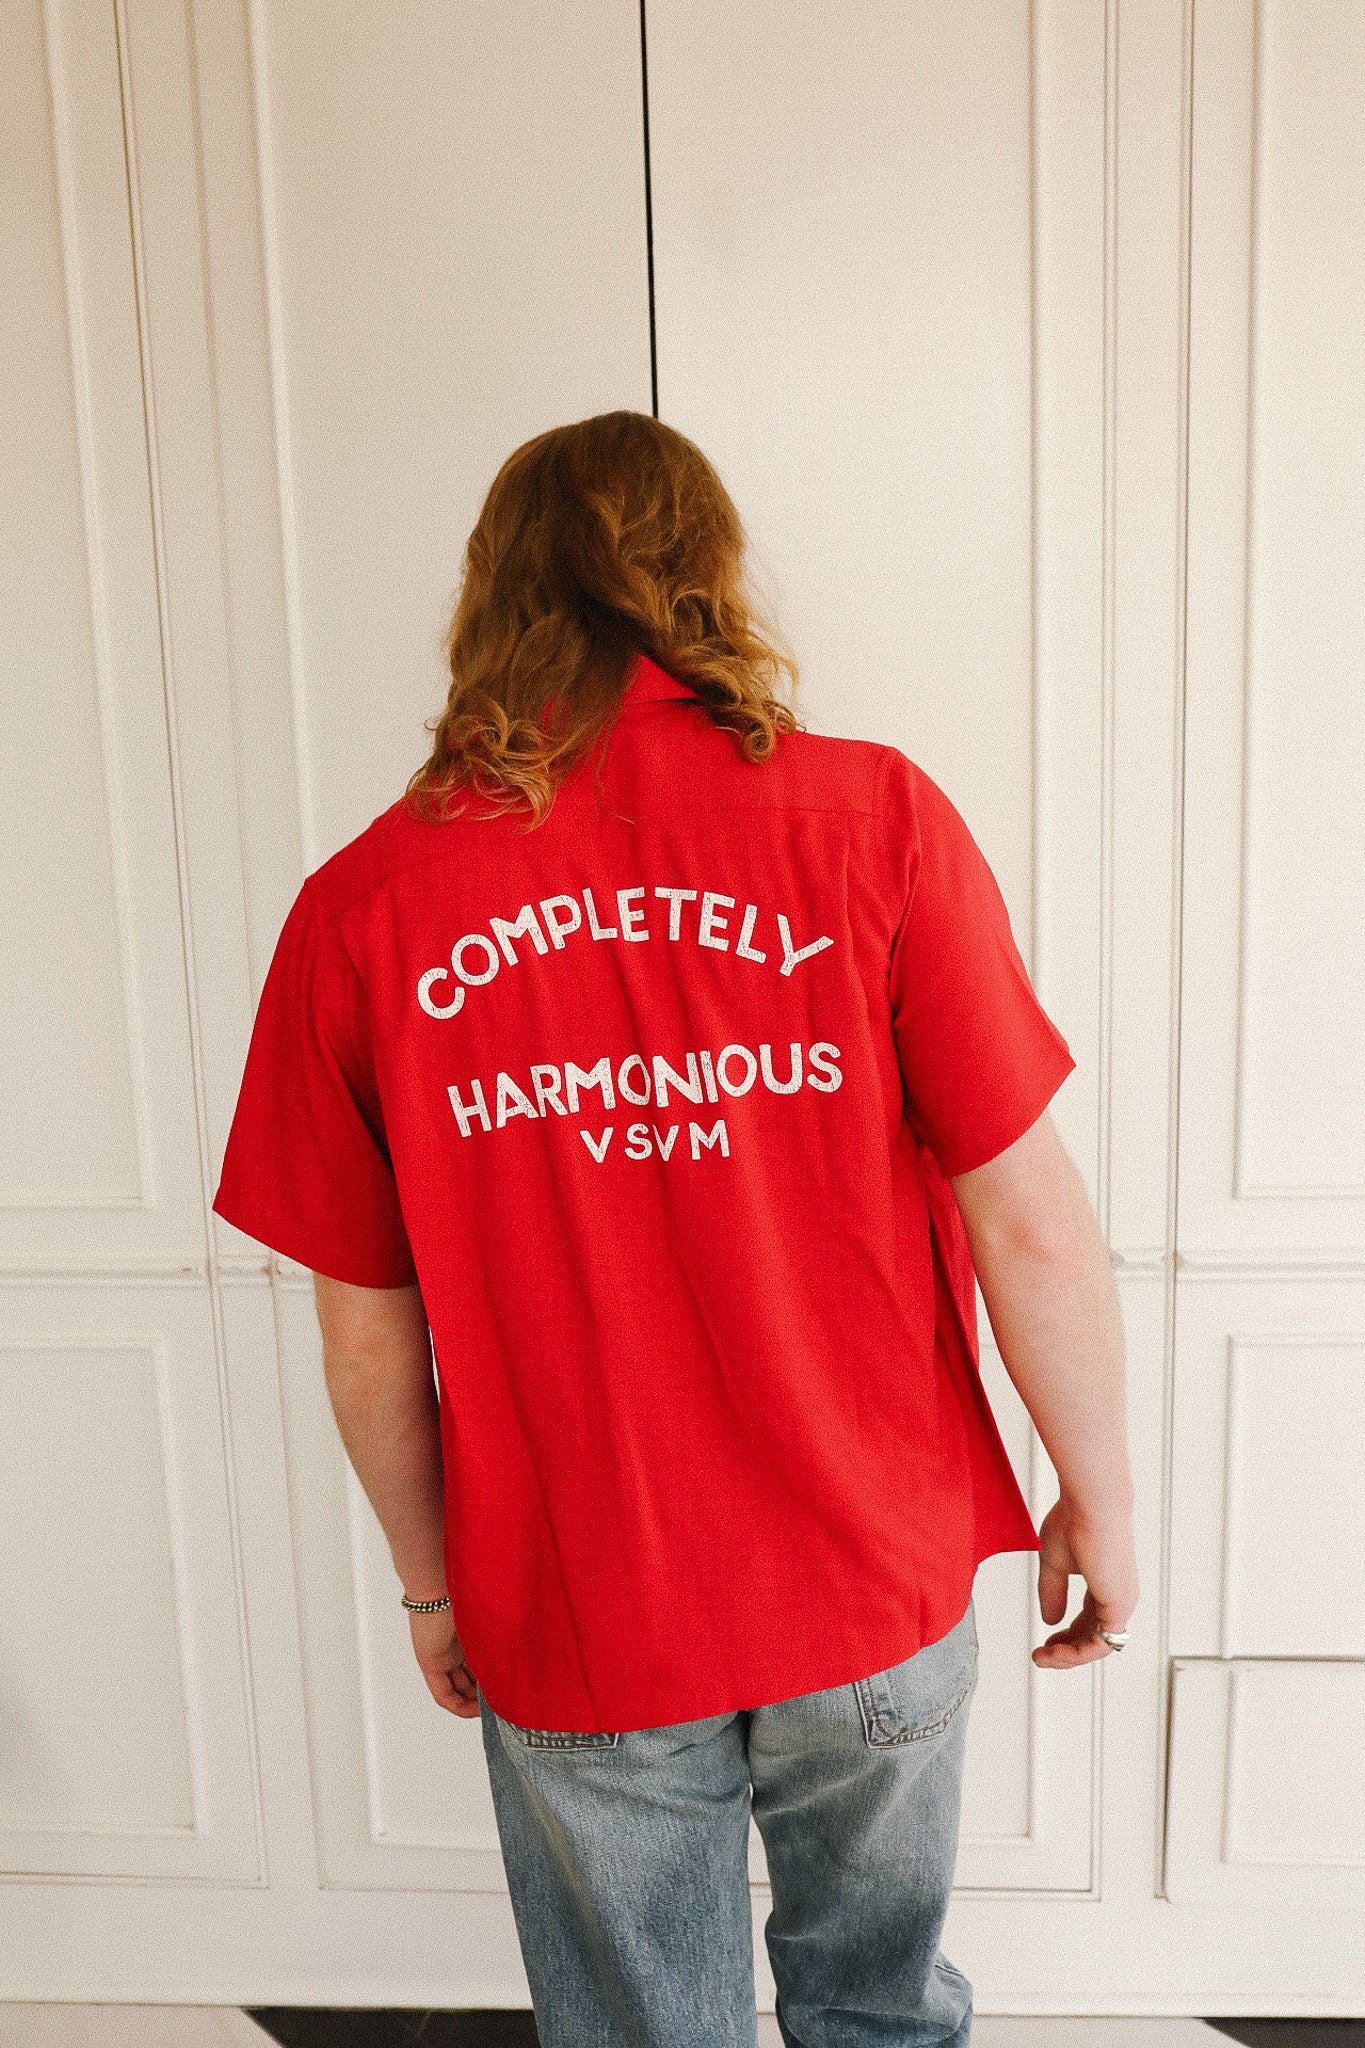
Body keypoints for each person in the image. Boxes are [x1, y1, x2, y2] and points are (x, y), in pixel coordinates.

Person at [213, 409, 1138, 2047]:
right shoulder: (871, 826)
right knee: (878, 2013)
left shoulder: (367, 910)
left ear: (490, 600)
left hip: (581, 1604)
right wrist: (1100, 1496)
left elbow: (363, 1320)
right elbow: (1030, 1217)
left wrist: (433, 1591)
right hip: (868, 1573)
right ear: (704, 579)